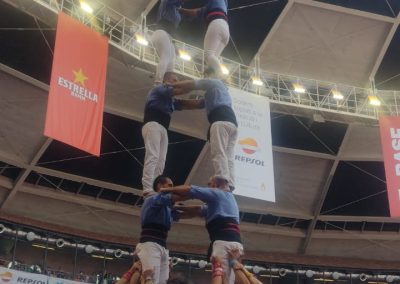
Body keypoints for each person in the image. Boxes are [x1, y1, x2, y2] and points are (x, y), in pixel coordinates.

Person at [161, 175, 243, 284]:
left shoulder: (218, 194)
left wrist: (165, 190)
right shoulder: (225, 199)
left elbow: (191, 190)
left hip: (224, 243)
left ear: (216, 184)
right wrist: (176, 209)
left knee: (221, 278)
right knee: (228, 280)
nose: (208, 187)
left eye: (209, 184)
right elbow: (197, 210)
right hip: (234, 242)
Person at [142, 73, 204, 196]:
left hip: (163, 128)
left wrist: (207, 101)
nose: (177, 82)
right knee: (153, 155)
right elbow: (179, 90)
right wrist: (199, 84)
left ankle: (157, 187)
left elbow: (187, 104)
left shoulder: (170, 100)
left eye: (178, 81)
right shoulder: (159, 89)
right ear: (166, 81)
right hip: (152, 123)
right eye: (174, 80)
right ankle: (147, 187)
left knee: (161, 161)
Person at [171, 78, 237, 190]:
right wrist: (177, 104)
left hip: (220, 120)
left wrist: (171, 86)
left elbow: (193, 84)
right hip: (232, 124)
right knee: (228, 155)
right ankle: (230, 183)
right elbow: (198, 104)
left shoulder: (215, 82)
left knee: (218, 151)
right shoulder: (217, 93)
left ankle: (222, 179)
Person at [135, 175, 180, 284]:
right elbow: (174, 197)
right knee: (152, 280)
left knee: (162, 282)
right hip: (150, 244)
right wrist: (195, 193)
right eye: (169, 186)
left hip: (162, 245)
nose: (172, 188)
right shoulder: (152, 199)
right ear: (160, 186)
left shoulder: (167, 207)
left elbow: (183, 214)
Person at [179, 0, 229, 77]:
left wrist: (181, 10)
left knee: (208, 55)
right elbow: (197, 12)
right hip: (226, 29)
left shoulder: (214, 3)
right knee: (211, 62)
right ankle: (210, 77)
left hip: (216, 24)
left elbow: (195, 12)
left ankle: (221, 76)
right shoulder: (221, 4)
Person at [151, 0, 183, 84]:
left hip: (168, 37)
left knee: (172, 60)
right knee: (166, 55)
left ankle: (168, 81)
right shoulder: (167, 2)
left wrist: (175, 46)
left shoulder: (178, 14)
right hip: (160, 32)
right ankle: (158, 81)